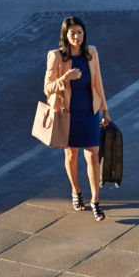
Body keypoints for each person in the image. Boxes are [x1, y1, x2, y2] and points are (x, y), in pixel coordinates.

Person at [44, 16, 111, 221]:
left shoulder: (92, 53)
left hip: (90, 112)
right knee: (71, 155)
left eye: (80, 32)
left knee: (92, 155)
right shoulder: (56, 56)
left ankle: (96, 202)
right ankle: (76, 191)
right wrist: (65, 78)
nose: (77, 36)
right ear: (65, 35)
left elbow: (98, 81)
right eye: (72, 33)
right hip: (68, 114)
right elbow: (47, 88)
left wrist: (106, 109)